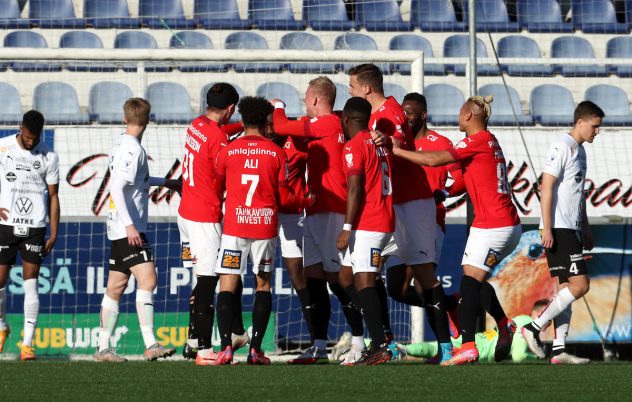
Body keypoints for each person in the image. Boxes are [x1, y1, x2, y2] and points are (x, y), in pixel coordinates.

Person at [391, 95, 522, 366]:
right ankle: (503, 323)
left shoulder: (475, 140)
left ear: (469, 116)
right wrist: (444, 191)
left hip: (494, 225)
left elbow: (435, 160)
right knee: (474, 279)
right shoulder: (489, 140)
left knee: (468, 283)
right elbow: (464, 179)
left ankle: (468, 345)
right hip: (498, 223)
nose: (457, 116)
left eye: (461, 112)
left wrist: (398, 151)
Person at [348, 64, 453, 363]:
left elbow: (396, 146)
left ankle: (446, 348)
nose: (350, 90)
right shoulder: (383, 114)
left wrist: (385, 143)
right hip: (391, 206)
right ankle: (384, 343)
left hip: (413, 204)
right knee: (364, 272)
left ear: (367, 88)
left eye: (353, 86)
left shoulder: (388, 116)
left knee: (423, 276)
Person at [272, 76, 365, 365]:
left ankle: (362, 341)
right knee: (314, 279)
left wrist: (278, 105)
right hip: (314, 211)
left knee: (339, 280)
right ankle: (318, 345)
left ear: (315, 99)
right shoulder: (330, 124)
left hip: (331, 211)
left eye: (306, 96)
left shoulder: (326, 123)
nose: (304, 100)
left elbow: (279, 126)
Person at [212, 96, 311, 365]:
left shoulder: (228, 151)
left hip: (234, 227)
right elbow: (285, 198)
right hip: (265, 227)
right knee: (262, 284)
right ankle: (256, 350)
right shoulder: (277, 153)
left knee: (227, 284)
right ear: (268, 121)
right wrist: (306, 200)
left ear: (242, 120)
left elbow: (217, 185)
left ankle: (225, 347)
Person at [95, 98, 179, 362]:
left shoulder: (121, 142)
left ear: (125, 119)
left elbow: (136, 180)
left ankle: (102, 349)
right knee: (148, 280)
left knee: (116, 287)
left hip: (118, 226)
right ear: (148, 120)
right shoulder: (133, 149)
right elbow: (116, 188)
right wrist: (130, 226)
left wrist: (167, 182)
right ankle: (151, 344)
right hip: (128, 228)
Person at [522, 101, 604, 365]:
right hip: (558, 227)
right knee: (580, 285)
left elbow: (579, 195)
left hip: (573, 228)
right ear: (581, 122)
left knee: (565, 288)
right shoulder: (562, 146)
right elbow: (546, 187)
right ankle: (533, 328)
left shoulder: (581, 152)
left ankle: (558, 351)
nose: (597, 132)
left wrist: (586, 227)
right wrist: (546, 226)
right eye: (595, 126)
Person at [387, 92, 466, 364]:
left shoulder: (440, 143)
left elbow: (461, 179)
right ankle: (450, 305)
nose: (406, 116)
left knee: (423, 285)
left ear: (423, 115)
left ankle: (445, 347)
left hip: (430, 221)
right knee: (396, 289)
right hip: (399, 221)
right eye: (403, 111)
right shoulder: (397, 144)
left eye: (411, 112)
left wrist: (443, 192)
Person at [177, 83, 250, 365]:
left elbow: (218, 135)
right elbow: (225, 166)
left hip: (185, 213)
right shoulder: (218, 140)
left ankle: (200, 338)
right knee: (210, 282)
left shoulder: (197, 124)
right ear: (230, 108)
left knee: (213, 277)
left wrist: (242, 126)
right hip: (204, 217)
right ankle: (205, 349)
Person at [336, 97, 395, 365]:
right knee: (346, 276)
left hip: (369, 222)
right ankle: (379, 334)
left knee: (365, 282)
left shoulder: (354, 146)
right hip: (381, 217)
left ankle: (381, 343)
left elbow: (356, 188)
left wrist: (347, 227)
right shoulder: (381, 143)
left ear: (346, 119)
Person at [0, 110, 59, 361]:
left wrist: (54, 231)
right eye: (28, 136)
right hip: (5, 224)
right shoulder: (3, 147)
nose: (31, 141)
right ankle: (2, 327)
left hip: (35, 227)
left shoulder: (49, 156)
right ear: (20, 127)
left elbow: (54, 196)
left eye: (36, 137)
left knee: (31, 282)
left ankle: (27, 345)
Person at [404, 300, 550, 363]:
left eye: (549, 319)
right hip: (481, 347)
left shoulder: (521, 319)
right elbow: (519, 356)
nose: (547, 322)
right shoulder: (525, 322)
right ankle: (400, 349)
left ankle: (400, 348)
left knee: (435, 349)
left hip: (478, 340)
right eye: (545, 316)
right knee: (435, 349)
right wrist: (540, 358)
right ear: (534, 313)